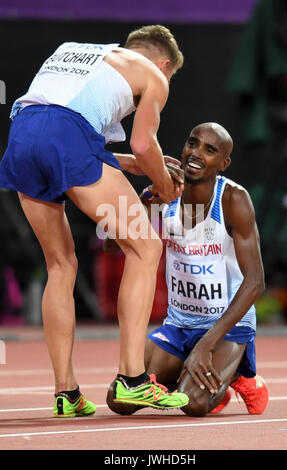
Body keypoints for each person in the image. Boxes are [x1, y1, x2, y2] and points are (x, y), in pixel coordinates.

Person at [0, 25, 189, 417]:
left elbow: (63, 132)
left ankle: (65, 393)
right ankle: (133, 381)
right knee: (145, 247)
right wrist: (164, 184)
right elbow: (141, 142)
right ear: (164, 63)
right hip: (64, 136)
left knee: (60, 264)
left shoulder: (78, 51)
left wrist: (136, 166)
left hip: (22, 136)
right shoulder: (153, 73)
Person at [106, 122, 269, 417]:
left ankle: (239, 375)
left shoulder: (233, 199)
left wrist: (206, 344)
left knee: (193, 405)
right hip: (180, 324)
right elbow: (111, 246)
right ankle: (199, 377)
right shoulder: (165, 193)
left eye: (209, 150)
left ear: (224, 163)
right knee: (120, 400)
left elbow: (256, 283)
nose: (196, 153)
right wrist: (142, 202)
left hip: (226, 327)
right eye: (192, 143)